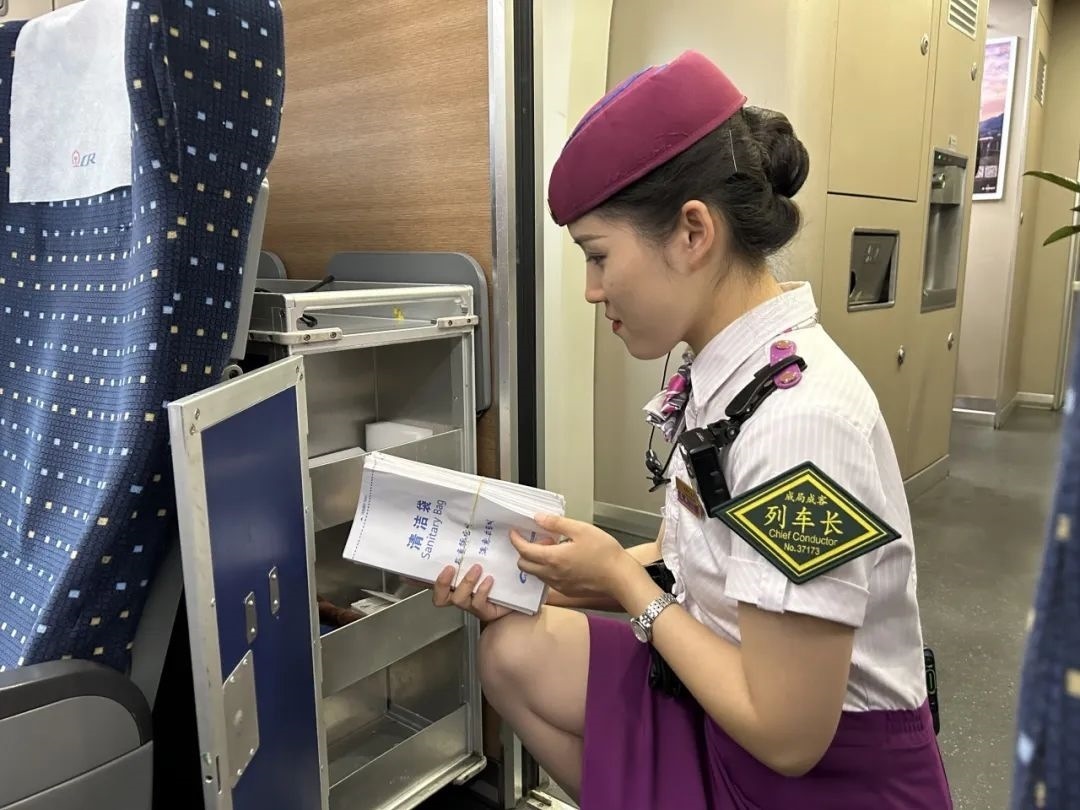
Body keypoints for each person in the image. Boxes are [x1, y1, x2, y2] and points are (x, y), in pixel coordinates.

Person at [429, 50, 952, 809]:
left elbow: (789, 737)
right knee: (511, 650)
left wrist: (621, 580)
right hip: (730, 683)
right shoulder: (725, 370)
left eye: (599, 256)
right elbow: (710, 558)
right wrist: (546, 577)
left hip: (827, 774)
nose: (592, 290)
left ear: (693, 232)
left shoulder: (802, 422)